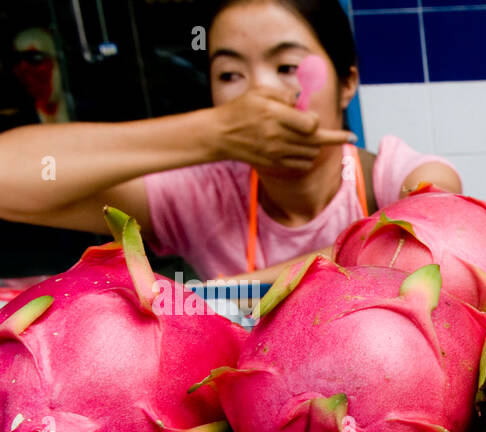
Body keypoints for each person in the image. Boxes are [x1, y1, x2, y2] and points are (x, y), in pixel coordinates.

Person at [0, 0, 460, 283]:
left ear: (347, 82)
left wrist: (229, 295)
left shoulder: (394, 179)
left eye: (286, 67)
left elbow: (434, 234)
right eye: (230, 75)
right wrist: (212, 134)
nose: (259, 95)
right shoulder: (204, 197)